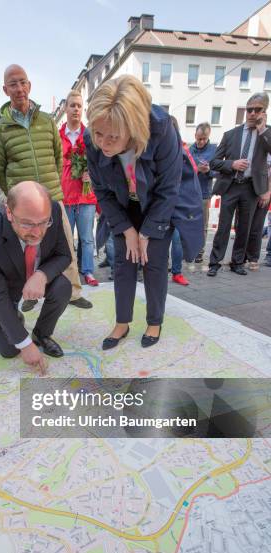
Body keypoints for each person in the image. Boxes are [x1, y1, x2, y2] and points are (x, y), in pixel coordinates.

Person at [84, 75, 203, 349]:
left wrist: (148, 233)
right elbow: (102, 191)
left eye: (113, 136)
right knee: (123, 265)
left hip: (159, 203)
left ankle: (154, 321)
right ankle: (122, 322)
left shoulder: (162, 130)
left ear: (134, 128)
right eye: (98, 133)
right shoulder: (94, 137)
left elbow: (169, 188)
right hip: (123, 205)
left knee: (154, 263)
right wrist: (127, 231)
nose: (103, 143)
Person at [0, 64, 91, 312]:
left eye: (22, 82)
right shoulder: (0, 129)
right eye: (13, 84)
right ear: (5, 90)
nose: (19, 88)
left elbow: (58, 157)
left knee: (66, 245)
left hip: (53, 197)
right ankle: (30, 295)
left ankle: (74, 292)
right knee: (28, 252)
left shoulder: (46, 121)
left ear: (29, 85)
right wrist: (16, 197)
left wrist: (52, 186)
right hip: (24, 206)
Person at [0, 181, 72, 374]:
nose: (37, 232)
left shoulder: (55, 211)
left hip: (34, 271)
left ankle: (41, 333)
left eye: (44, 222)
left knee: (62, 287)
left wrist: (41, 275)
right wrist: (24, 344)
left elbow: (64, 255)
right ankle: (15, 319)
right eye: (27, 224)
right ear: (9, 213)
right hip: (2, 286)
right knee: (9, 350)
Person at [207, 92, 271, 277]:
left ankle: (237, 262)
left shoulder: (265, 134)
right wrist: (231, 164)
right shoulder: (230, 135)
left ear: (264, 112)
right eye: (249, 110)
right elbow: (214, 162)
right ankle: (215, 262)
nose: (252, 113)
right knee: (224, 226)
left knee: (244, 227)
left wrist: (263, 130)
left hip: (251, 188)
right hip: (231, 185)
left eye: (257, 110)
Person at [59, 90, 98, 286]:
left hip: (86, 197)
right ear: (66, 108)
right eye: (72, 105)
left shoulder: (90, 135)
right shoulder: (57, 137)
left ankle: (88, 271)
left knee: (87, 239)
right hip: (65, 197)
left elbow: (99, 163)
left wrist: (91, 173)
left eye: (79, 106)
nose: (76, 109)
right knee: (66, 240)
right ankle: (68, 273)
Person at [169, 115, 203, 286]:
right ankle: (146, 270)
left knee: (177, 240)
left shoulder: (183, 150)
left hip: (179, 205)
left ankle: (176, 272)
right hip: (163, 206)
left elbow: (193, 171)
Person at [189, 122, 217, 263]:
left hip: (204, 193)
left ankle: (200, 252)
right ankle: (188, 250)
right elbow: (184, 169)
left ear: (208, 136)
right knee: (188, 222)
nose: (201, 141)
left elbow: (219, 171)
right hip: (189, 193)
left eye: (204, 139)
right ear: (195, 135)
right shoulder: (189, 149)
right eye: (199, 138)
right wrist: (196, 169)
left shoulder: (214, 150)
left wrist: (209, 171)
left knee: (203, 225)